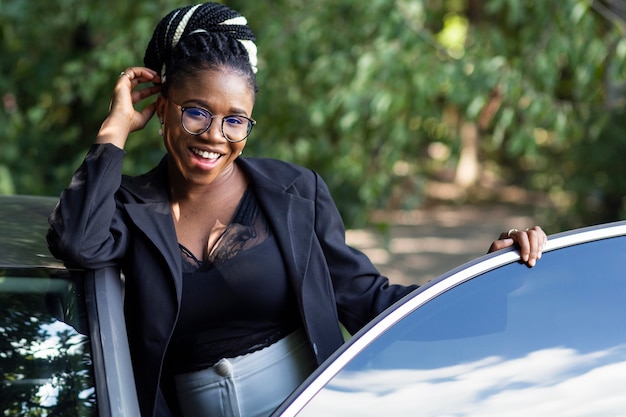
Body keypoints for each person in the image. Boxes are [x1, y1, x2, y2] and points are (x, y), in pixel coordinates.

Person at [47, 3, 548, 417]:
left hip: (304, 405)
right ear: (161, 107)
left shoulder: (294, 192)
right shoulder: (132, 205)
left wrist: (487, 278)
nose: (214, 136)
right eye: (195, 111)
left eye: (235, 120)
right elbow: (75, 241)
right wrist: (113, 130)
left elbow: (367, 300)